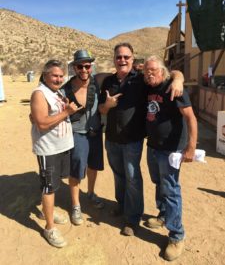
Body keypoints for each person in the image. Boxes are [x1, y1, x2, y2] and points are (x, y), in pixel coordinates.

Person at [98, 42, 184, 237]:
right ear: (114, 59)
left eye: (126, 57)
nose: (122, 60)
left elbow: (169, 73)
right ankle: (122, 205)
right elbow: (101, 110)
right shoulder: (107, 82)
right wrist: (108, 105)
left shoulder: (141, 80)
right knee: (118, 176)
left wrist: (178, 80)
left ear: (132, 58)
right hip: (111, 139)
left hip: (132, 141)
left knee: (133, 178)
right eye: (119, 57)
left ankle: (133, 218)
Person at [144, 55, 197, 261]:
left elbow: (191, 118)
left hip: (171, 149)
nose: (150, 74)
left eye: (154, 70)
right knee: (158, 182)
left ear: (163, 71)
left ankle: (177, 235)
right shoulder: (149, 87)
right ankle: (163, 214)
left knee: (171, 189)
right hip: (153, 146)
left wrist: (191, 146)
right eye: (147, 71)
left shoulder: (173, 87)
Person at [30, 60, 81, 248]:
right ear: (45, 75)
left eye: (61, 76)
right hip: (48, 148)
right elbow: (42, 123)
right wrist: (67, 111)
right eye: (55, 75)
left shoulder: (56, 92)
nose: (59, 79)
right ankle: (49, 227)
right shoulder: (39, 93)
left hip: (62, 146)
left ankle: (46, 211)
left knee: (56, 182)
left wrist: (65, 108)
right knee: (48, 187)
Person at [61, 50, 105, 226]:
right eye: (80, 66)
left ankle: (91, 193)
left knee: (93, 166)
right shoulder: (65, 89)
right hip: (77, 133)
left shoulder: (98, 84)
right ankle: (76, 205)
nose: (84, 69)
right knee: (77, 168)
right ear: (74, 68)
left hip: (95, 132)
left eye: (87, 66)